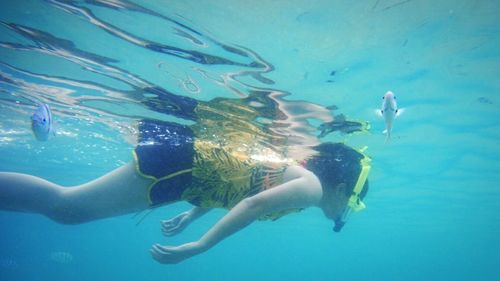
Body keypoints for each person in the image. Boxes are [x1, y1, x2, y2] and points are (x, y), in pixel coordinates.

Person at [0, 92, 370, 264]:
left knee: (68, 209)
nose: (347, 212)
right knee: (68, 207)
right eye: (353, 201)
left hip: (186, 173)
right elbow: (253, 203)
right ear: (341, 186)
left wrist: (193, 214)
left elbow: (242, 181)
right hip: (183, 166)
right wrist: (201, 246)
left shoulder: (303, 185)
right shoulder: (310, 189)